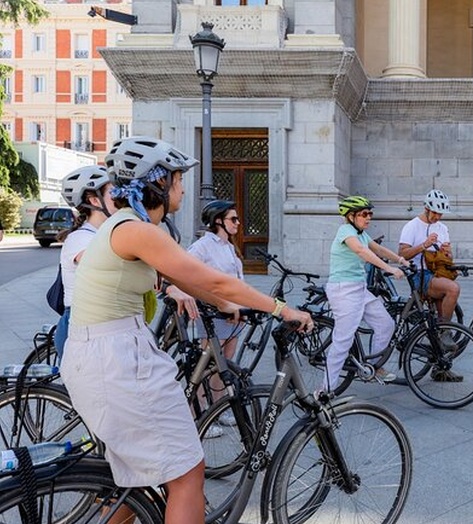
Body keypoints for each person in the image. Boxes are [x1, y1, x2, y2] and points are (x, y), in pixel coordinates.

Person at [60, 136, 312, 524]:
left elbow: (180, 279)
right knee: (187, 474)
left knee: (144, 479)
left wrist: (228, 305)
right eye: (177, 179)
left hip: (108, 353)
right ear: (159, 183)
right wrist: (282, 309)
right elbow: (214, 280)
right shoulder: (137, 231)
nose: (182, 188)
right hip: (117, 358)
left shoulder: (126, 227)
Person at [324, 195, 408, 393]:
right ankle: (324, 392)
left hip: (359, 289)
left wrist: (400, 260)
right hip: (343, 290)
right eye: (364, 214)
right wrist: (389, 269)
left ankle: (375, 367)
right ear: (351, 216)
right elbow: (361, 251)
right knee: (342, 343)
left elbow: (376, 248)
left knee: (386, 324)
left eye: (370, 213)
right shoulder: (345, 231)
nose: (369, 217)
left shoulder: (361, 233)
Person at [187, 200, 245, 431]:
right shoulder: (203, 245)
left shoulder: (228, 246)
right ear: (218, 220)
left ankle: (219, 407)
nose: (238, 223)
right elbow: (186, 272)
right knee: (208, 364)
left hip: (234, 313)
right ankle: (198, 414)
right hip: (214, 313)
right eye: (233, 219)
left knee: (225, 364)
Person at [398, 189, 463, 381]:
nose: (437, 217)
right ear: (426, 208)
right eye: (434, 212)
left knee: (437, 317)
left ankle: (440, 368)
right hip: (420, 275)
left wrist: (447, 252)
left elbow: (448, 257)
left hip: (438, 273)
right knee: (453, 289)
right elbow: (402, 254)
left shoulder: (442, 228)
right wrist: (424, 245)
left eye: (440, 214)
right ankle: (445, 332)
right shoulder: (412, 226)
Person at [54, 166, 118, 359]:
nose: (121, 198)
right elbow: (108, 265)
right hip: (79, 327)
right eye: (114, 193)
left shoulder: (102, 234)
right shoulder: (79, 239)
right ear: (95, 200)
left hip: (101, 325)